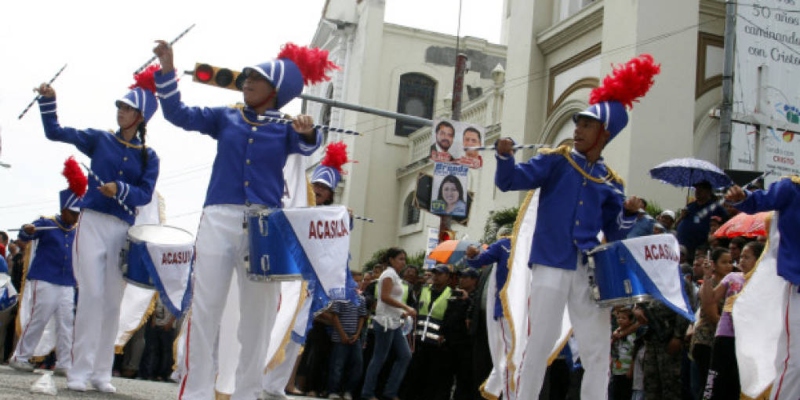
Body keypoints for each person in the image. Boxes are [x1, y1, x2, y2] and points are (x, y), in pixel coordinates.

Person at [152, 40, 334, 399]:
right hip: (218, 219)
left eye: (257, 77)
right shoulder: (227, 116)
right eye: (247, 75)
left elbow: (313, 145)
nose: (247, 81)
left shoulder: (286, 128)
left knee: (258, 316)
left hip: (264, 227)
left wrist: (308, 129)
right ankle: (196, 391)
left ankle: (247, 392)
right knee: (205, 308)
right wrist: (167, 69)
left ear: (276, 91)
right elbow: (178, 114)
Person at [494, 54, 659, 399]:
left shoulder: (610, 180)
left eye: (586, 124)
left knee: (597, 349)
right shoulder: (556, 160)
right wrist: (505, 157)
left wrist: (628, 213)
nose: (577, 129)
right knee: (539, 344)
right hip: (551, 263)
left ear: (605, 132)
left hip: (587, 271)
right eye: (578, 123)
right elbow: (511, 181)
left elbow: (614, 232)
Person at [36, 68, 160, 393]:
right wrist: (48, 102)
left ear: (142, 116)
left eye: (128, 107)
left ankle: (101, 373)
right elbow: (56, 132)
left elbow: (144, 194)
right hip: (91, 222)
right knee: (90, 295)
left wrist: (118, 188)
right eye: (119, 106)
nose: (121, 111)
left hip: (123, 230)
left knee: (111, 302)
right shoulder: (100, 139)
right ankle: (78, 371)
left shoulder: (149, 156)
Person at [725, 177, 800, 399]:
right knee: (795, 360)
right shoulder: (793, 188)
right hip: (798, 289)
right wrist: (743, 198)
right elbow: (762, 200)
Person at [9, 189, 82, 375]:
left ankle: (65, 362)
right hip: (45, 279)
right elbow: (26, 234)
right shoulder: (47, 223)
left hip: (67, 282)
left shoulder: (77, 231)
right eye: (73, 213)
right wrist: (26, 229)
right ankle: (21, 357)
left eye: (77, 213)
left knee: (66, 323)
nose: (75, 217)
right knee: (38, 319)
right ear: (63, 210)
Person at [702, 241, 763, 400]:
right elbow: (710, 299)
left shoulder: (764, 283)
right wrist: (707, 277)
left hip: (749, 341)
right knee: (716, 381)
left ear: (759, 260)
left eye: (747, 257)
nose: (741, 260)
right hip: (725, 336)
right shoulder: (732, 277)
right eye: (741, 256)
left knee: (738, 383)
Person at [361, 248, 416, 400]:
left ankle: (390, 392)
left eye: (404, 259)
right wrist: (406, 307)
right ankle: (367, 392)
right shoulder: (388, 275)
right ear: (391, 260)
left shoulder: (395, 276)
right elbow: (384, 297)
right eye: (400, 259)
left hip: (394, 321)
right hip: (384, 321)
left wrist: (401, 312)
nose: (403, 262)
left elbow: (392, 300)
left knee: (405, 355)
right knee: (379, 358)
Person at [691, 247, 732, 400]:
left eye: (730, 262)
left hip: (720, 343)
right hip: (706, 342)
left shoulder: (730, 283)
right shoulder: (710, 284)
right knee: (708, 386)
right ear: (713, 265)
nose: (728, 266)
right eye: (724, 262)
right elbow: (713, 315)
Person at [675, 181, 728, 257]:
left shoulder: (715, 207)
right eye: (696, 189)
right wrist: (681, 217)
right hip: (683, 247)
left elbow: (726, 223)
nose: (697, 191)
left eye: (701, 189)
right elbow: (676, 225)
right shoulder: (690, 206)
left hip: (701, 249)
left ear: (708, 192)